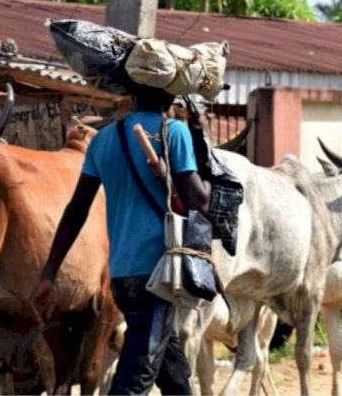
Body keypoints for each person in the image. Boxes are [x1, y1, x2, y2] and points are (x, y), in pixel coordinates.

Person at [29, 87, 212, 395]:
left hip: (122, 277)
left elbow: (76, 210)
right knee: (136, 379)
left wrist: (50, 271)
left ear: (132, 93)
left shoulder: (102, 140)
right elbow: (200, 201)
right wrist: (203, 140)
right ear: (170, 96)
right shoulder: (174, 132)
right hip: (158, 278)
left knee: (175, 376)